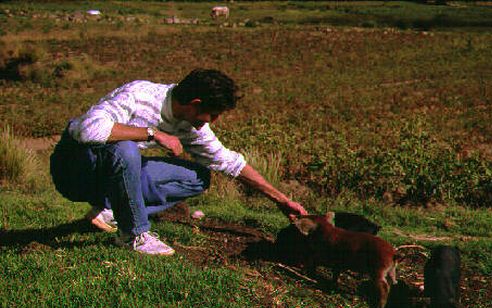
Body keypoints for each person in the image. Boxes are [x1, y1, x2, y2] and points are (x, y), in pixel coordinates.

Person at [50, 68, 308, 256]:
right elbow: (84, 131)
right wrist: (153, 134)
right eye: (212, 114)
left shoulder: (191, 124)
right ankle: (134, 235)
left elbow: (229, 162)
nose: (212, 122)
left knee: (198, 177)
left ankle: (110, 210)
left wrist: (282, 200)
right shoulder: (139, 95)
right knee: (125, 147)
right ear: (195, 104)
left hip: (111, 175)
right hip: (74, 171)